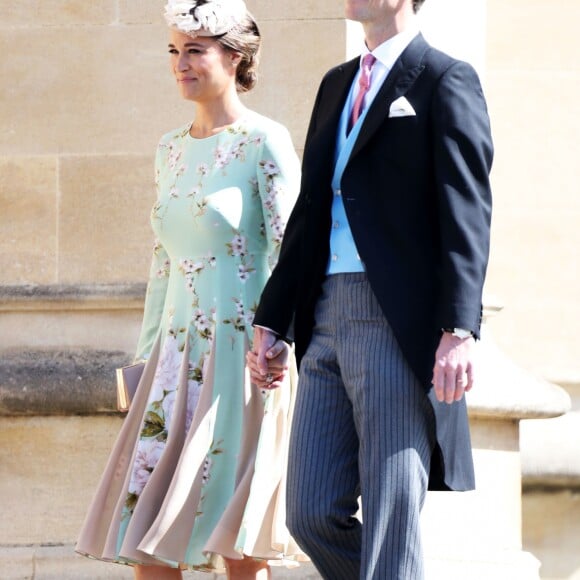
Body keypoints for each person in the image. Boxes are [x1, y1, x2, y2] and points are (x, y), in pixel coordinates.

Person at [247, 0, 493, 578]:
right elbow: (310, 211)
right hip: (324, 315)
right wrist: (274, 320)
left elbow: (467, 213)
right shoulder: (337, 84)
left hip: (393, 320)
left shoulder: (444, 78)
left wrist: (459, 330)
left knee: (392, 512)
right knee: (309, 513)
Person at [75, 1, 302, 578]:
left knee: (237, 546)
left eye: (195, 50)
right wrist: (144, 357)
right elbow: (162, 263)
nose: (181, 63)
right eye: (174, 51)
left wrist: (282, 345)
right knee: (148, 536)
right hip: (174, 366)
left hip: (246, 362)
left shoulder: (264, 142)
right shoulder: (169, 148)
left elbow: (291, 255)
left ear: (235, 56)